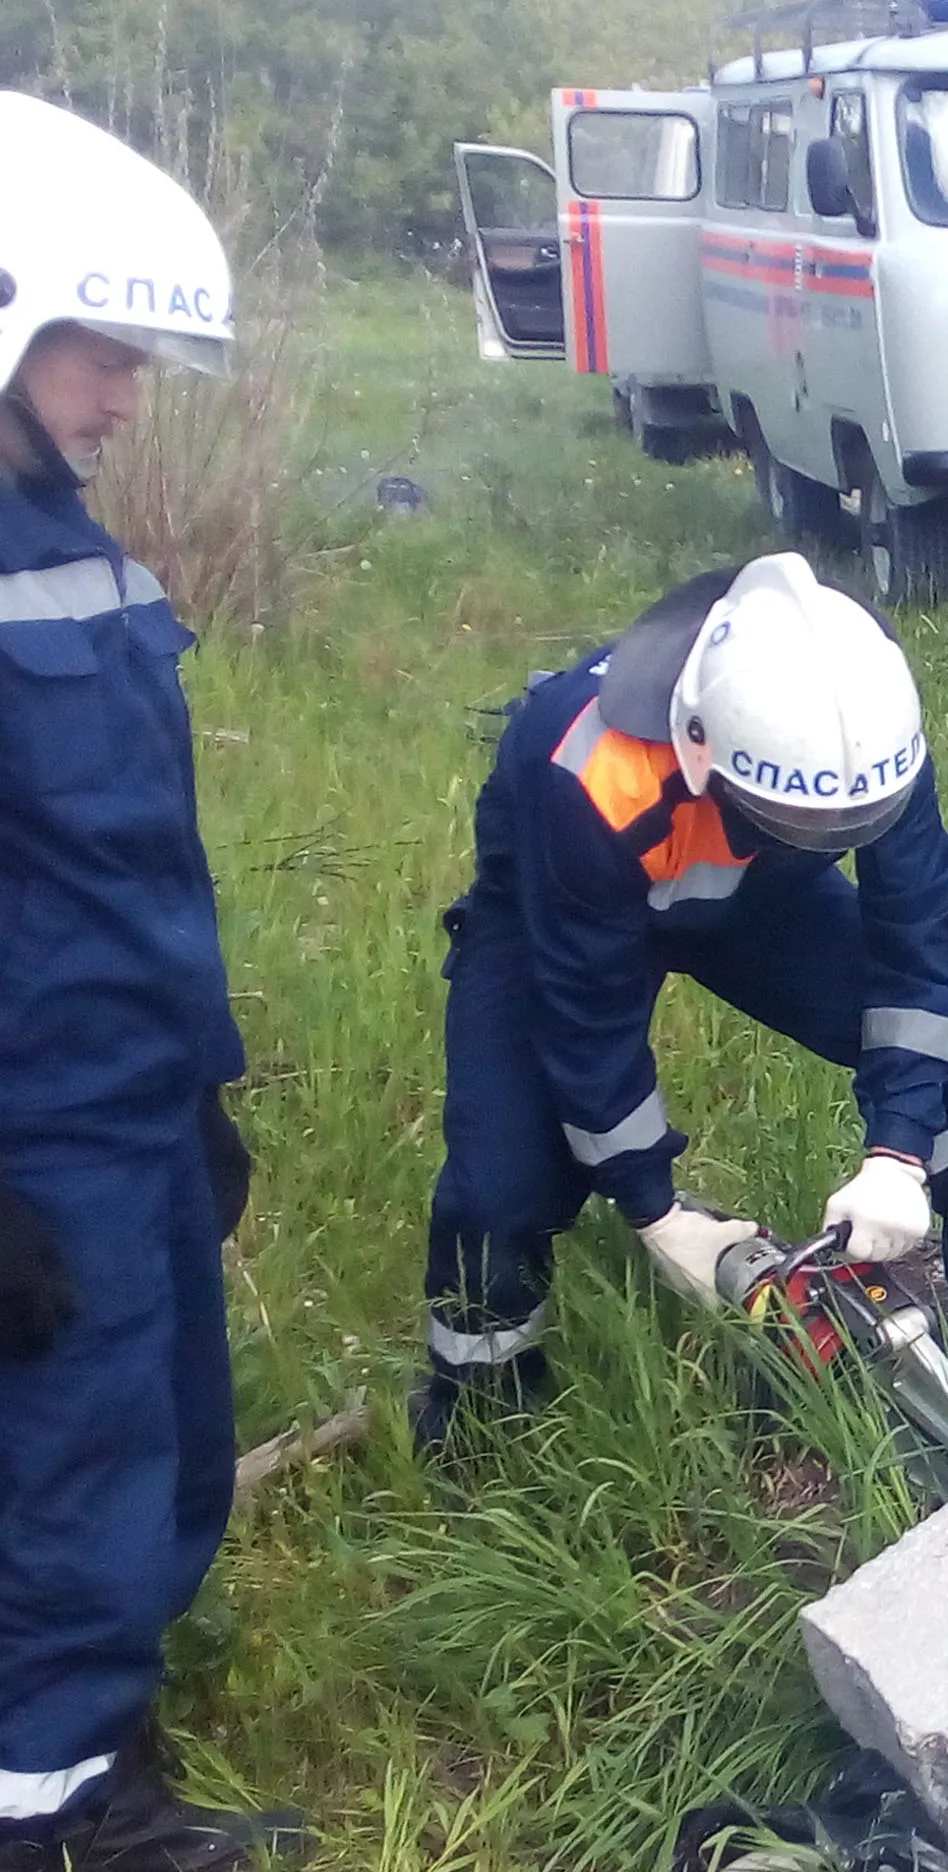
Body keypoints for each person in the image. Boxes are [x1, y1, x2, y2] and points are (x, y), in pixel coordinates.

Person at [413, 552, 948, 1447]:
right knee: (499, 1181)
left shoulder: (863, 731)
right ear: (702, 744)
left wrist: (896, 1154)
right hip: (558, 916)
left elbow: (920, 942)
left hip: (761, 893)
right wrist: (657, 1213)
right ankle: (481, 1401)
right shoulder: (592, 769)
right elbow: (584, 1014)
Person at [0, 91, 306, 1868]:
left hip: (128, 1093)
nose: (127, 394)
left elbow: (123, 856)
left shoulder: (67, 541)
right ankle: (51, 1813)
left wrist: (197, 1082)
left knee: (170, 1448)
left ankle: (101, 1736)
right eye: (102, 353)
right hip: (35, 1123)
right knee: (76, 1473)